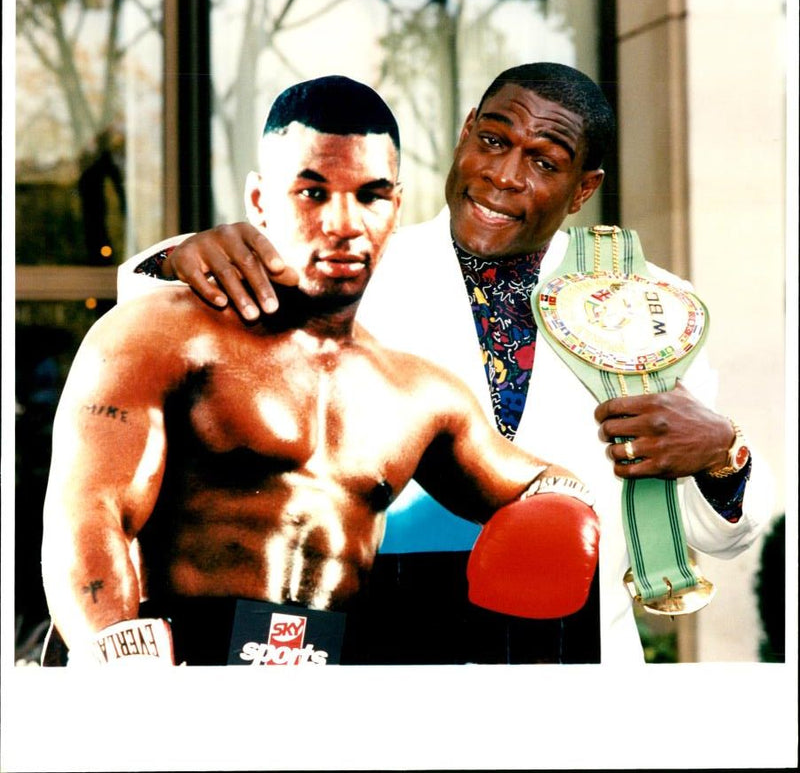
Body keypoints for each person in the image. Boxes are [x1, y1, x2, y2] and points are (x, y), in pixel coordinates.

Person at [118, 63, 775, 664]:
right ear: (466, 134)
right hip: (373, 661)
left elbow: (713, 536)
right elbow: (156, 333)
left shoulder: (644, 307)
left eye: (544, 161)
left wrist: (723, 455)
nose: (505, 174)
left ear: (584, 189)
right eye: (493, 141)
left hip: (574, 680)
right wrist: (180, 259)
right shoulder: (352, 266)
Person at [41, 75, 599, 667]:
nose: (343, 222)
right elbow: (90, 511)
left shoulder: (419, 394)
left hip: (331, 691)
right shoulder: (163, 336)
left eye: (370, 195)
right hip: (173, 676)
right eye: (312, 194)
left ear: (396, 206)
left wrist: (562, 517)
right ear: (260, 201)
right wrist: (120, 663)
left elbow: (543, 485)